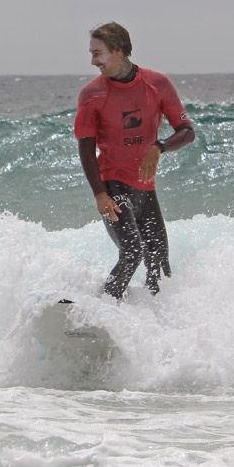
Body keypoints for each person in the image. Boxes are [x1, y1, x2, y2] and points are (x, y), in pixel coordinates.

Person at [73, 22, 195, 299]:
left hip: (145, 190)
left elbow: (187, 132)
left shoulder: (157, 84)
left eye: (98, 53)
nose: (93, 61)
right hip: (112, 188)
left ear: (117, 51)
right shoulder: (92, 95)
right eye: (91, 53)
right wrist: (100, 195)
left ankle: (154, 325)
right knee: (131, 252)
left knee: (159, 265)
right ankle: (102, 311)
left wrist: (159, 147)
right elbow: (86, 148)